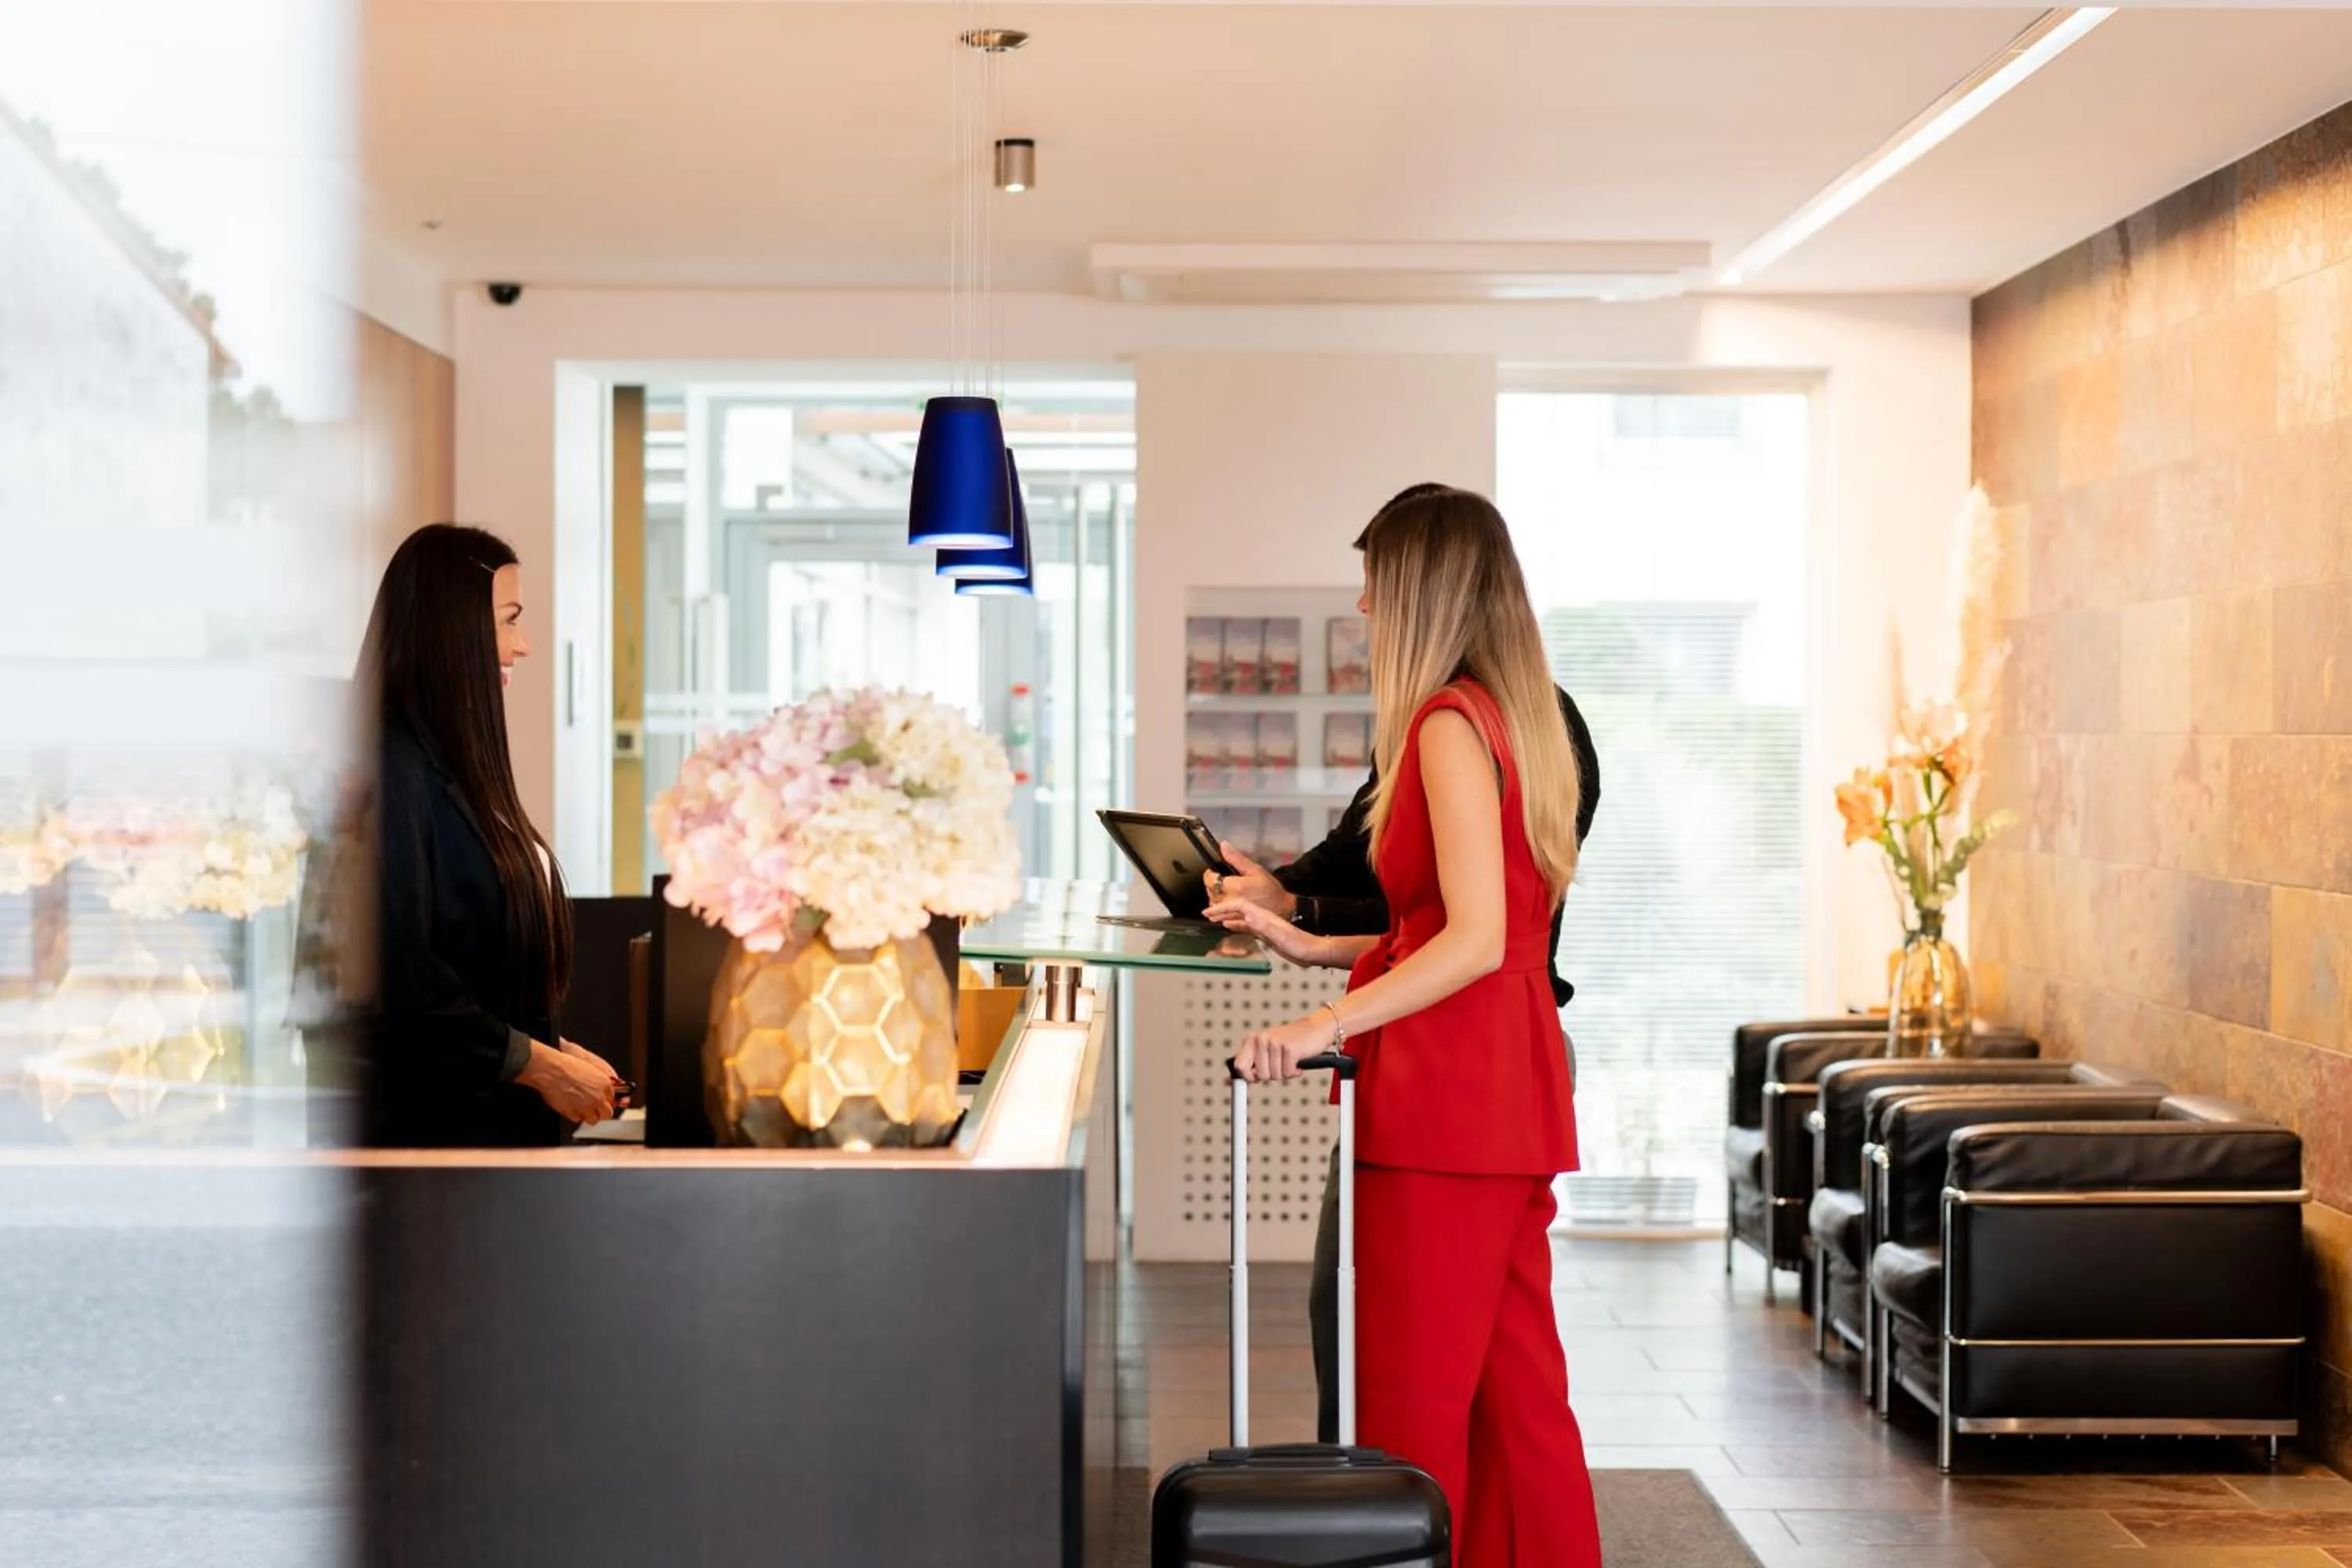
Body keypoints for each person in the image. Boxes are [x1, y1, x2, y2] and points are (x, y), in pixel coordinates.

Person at [1227, 488, 1602, 1566]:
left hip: (1444, 1106)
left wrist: (1317, 1023)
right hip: (1505, 1091)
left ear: (1424, 591)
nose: (1363, 603)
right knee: (1516, 1402)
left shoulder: (1444, 721)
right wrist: (1321, 945)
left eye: (1378, 583)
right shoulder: (1515, 719)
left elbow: (1475, 940)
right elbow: (1481, 933)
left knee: (1410, 1416)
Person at [360, 523, 622, 1147]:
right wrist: (540, 1065)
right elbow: (403, 978)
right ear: (455, 630)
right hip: (434, 1148)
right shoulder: (389, 766)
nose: (523, 645)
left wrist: (550, 1048)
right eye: (509, 619)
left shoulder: (448, 767)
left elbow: (468, 969)